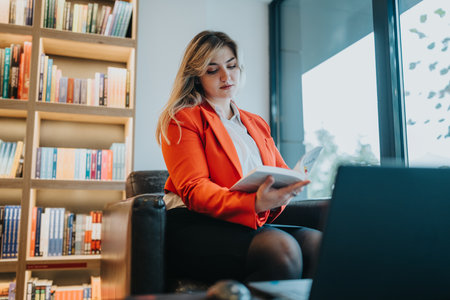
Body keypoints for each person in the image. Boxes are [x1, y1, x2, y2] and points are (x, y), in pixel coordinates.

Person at [156, 30, 322, 284]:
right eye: (212, 70)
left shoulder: (256, 122)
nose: (226, 76)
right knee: (281, 249)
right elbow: (194, 189)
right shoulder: (183, 118)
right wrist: (254, 203)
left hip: (243, 221)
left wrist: (291, 185)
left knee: (315, 243)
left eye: (231, 66)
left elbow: (281, 170)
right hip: (194, 223)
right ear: (197, 76)